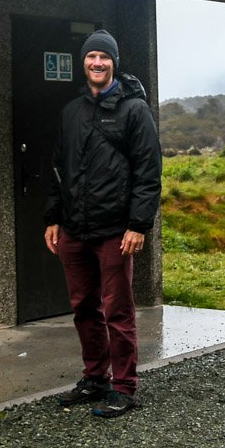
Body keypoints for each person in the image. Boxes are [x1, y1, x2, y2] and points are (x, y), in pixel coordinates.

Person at [44, 29, 162, 418]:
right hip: (74, 230)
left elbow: (148, 173)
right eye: (91, 57)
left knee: (117, 310)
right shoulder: (70, 111)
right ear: (84, 63)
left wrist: (138, 225)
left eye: (104, 58)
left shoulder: (134, 111)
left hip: (115, 232)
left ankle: (124, 386)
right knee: (84, 308)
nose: (97, 63)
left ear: (114, 63)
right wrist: (53, 218)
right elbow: (58, 170)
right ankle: (95, 378)